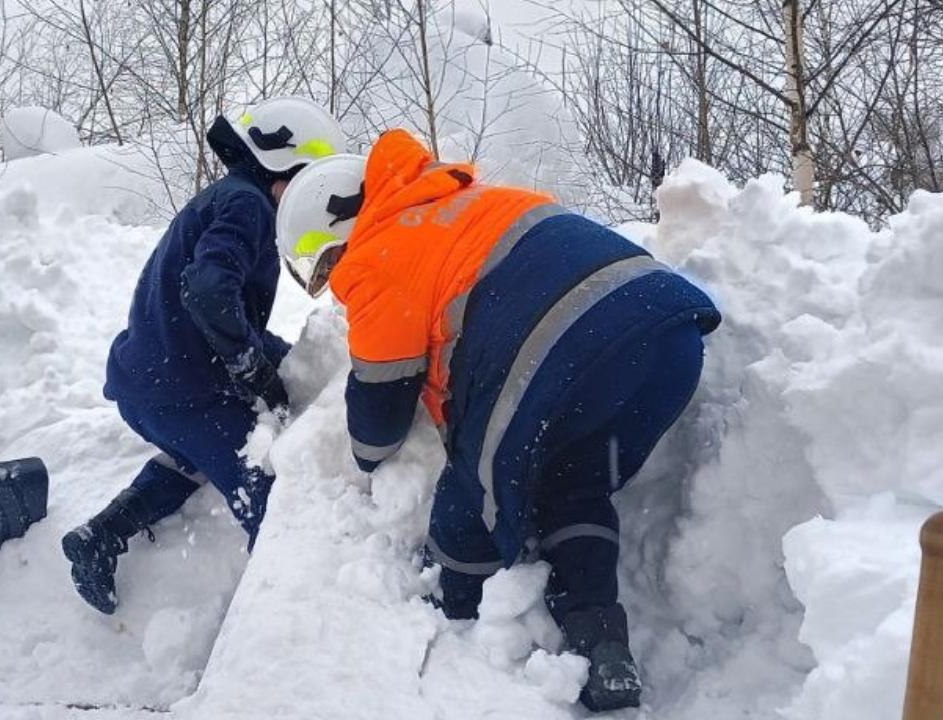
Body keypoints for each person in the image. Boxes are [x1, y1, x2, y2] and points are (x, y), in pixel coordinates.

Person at [274, 131, 720, 711]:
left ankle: (460, 636)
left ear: (340, 232)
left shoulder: (378, 251)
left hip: (554, 352)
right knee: (572, 483)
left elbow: (379, 415)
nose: (337, 282)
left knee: (468, 510)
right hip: (667, 336)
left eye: (329, 263)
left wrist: (361, 453)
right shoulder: (478, 200)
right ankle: (602, 647)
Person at [62, 97, 346, 615]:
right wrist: (250, 365)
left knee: (196, 460)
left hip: (153, 382)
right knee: (271, 493)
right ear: (282, 167)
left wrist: (287, 360)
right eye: (307, 182)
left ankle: (100, 536)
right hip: (183, 392)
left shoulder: (231, 198)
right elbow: (210, 291)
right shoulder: (249, 206)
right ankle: (282, 617)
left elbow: (221, 308)